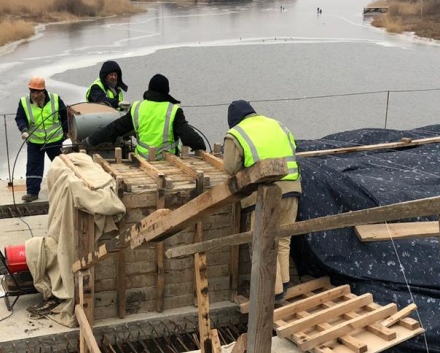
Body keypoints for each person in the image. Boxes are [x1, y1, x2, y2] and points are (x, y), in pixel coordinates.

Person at [224, 100, 301, 302]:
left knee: (263, 244)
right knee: (283, 240)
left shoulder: (236, 134)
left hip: (263, 196)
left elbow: (231, 168)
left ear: (233, 121)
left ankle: (271, 294)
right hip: (292, 190)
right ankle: (283, 287)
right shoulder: (278, 125)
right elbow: (294, 149)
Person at [82, 74, 206, 158]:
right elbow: (188, 136)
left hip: (141, 161)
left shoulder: (137, 108)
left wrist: (92, 140)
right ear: (166, 92)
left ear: (149, 89)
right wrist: (201, 146)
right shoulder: (173, 111)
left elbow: (115, 128)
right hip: (167, 161)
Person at [15, 76, 69, 202]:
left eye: (38, 92)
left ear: (44, 91)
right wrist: (24, 129)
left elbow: (65, 116)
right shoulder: (24, 102)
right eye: (33, 92)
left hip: (55, 140)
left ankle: (65, 189)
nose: (35, 95)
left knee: (61, 166)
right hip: (35, 141)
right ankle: (32, 193)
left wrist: (66, 134)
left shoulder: (55, 99)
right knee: (33, 167)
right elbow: (20, 118)